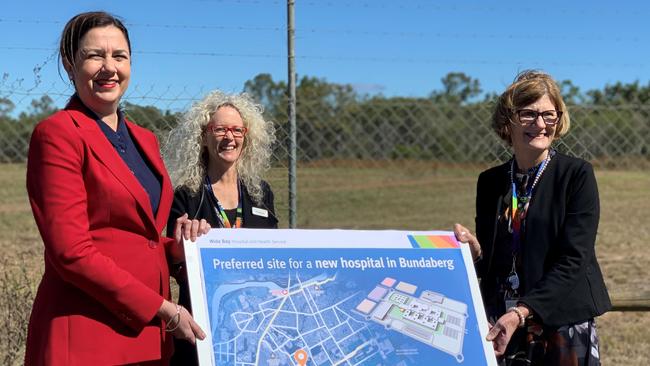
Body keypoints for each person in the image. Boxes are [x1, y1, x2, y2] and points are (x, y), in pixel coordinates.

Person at [25, 11, 208, 365]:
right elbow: (71, 252)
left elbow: (141, 237)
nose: (109, 67)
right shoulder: (58, 134)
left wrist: (185, 249)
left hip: (147, 338)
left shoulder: (145, 139)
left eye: (119, 56)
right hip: (87, 337)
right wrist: (163, 309)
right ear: (69, 64)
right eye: (95, 55)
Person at [454, 70, 611, 365]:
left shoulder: (576, 175)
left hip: (559, 322)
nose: (540, 124)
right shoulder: (490, 182)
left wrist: (522, 312)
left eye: (549, 115)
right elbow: (500, 260)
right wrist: (475, 254)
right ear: (507, 121)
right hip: (502, 324)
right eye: (528, 114)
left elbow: (574, 259)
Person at [163, 90, 279, 364]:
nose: (230, 137)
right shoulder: (186, 196)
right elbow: (175, 265)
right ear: (204, 136)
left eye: (238, 130)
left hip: (256, 321)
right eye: (220, 129)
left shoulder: (261, 193)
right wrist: (181, 251)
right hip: (204, 325)